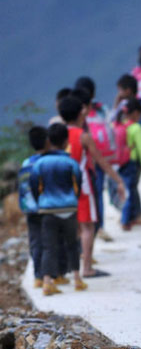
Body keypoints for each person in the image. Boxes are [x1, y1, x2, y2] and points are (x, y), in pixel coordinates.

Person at [59, 96, 125, 278]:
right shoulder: (83, 136)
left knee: (67, 226)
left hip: (60, 186)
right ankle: (86, 267)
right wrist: (118, 180)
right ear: (81, 113)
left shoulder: (57, 134)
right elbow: (101, 160)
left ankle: (60, 269)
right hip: (82, 186)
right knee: (88, 227)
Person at [30, 123, 86, 296]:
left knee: (49, 246)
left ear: (48, 141)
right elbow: (78, 181)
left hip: (48, 209)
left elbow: (34, 185)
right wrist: (73, 200)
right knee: (72, 245)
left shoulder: (39, 163)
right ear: (66, 142)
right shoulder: (70, 162)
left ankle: (47, 282)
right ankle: (77, 278)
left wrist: (41, 201)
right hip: (68, 207)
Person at [74, 77, 114, 242]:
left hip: (78, 163)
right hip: (97, 158)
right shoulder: (101, 108)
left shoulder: (72, 110)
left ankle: (82, 232)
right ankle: (99, 227)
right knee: (97, 195)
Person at [18, 126, 48, 288]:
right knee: (50, 240)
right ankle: (52, 275)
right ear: (47, 141)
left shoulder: (26, 162)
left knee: (35, 240)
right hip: (48, 207)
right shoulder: (49, 161)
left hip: (30, 207)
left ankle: (38, 276)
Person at [117, 98, 141, 229]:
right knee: (132, 189)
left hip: (120, 162)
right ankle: (134, 217)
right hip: (133, 162)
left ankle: (130, 216)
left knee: (127, 189)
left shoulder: (120, 125)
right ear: (136, 113)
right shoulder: (136, 127)